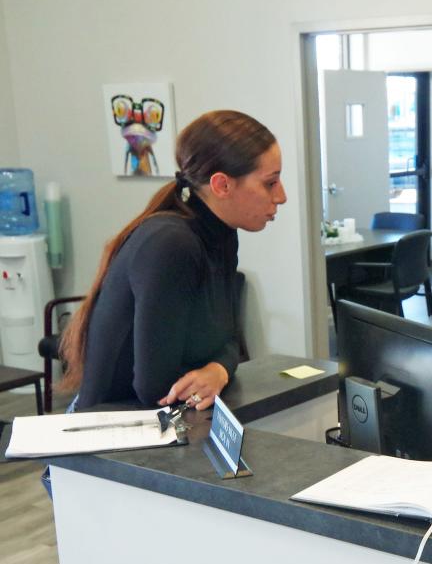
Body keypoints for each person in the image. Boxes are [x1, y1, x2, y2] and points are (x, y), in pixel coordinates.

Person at [60, 110, 286, 412]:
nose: (281, 196)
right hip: (108, 433)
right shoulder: (171, 245)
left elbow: (228, 340)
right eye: (270, 183)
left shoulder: (221, 234)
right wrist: (218, 367)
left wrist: (217, 370)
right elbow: (155, 386)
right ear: (221, 185)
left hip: (160, 421)